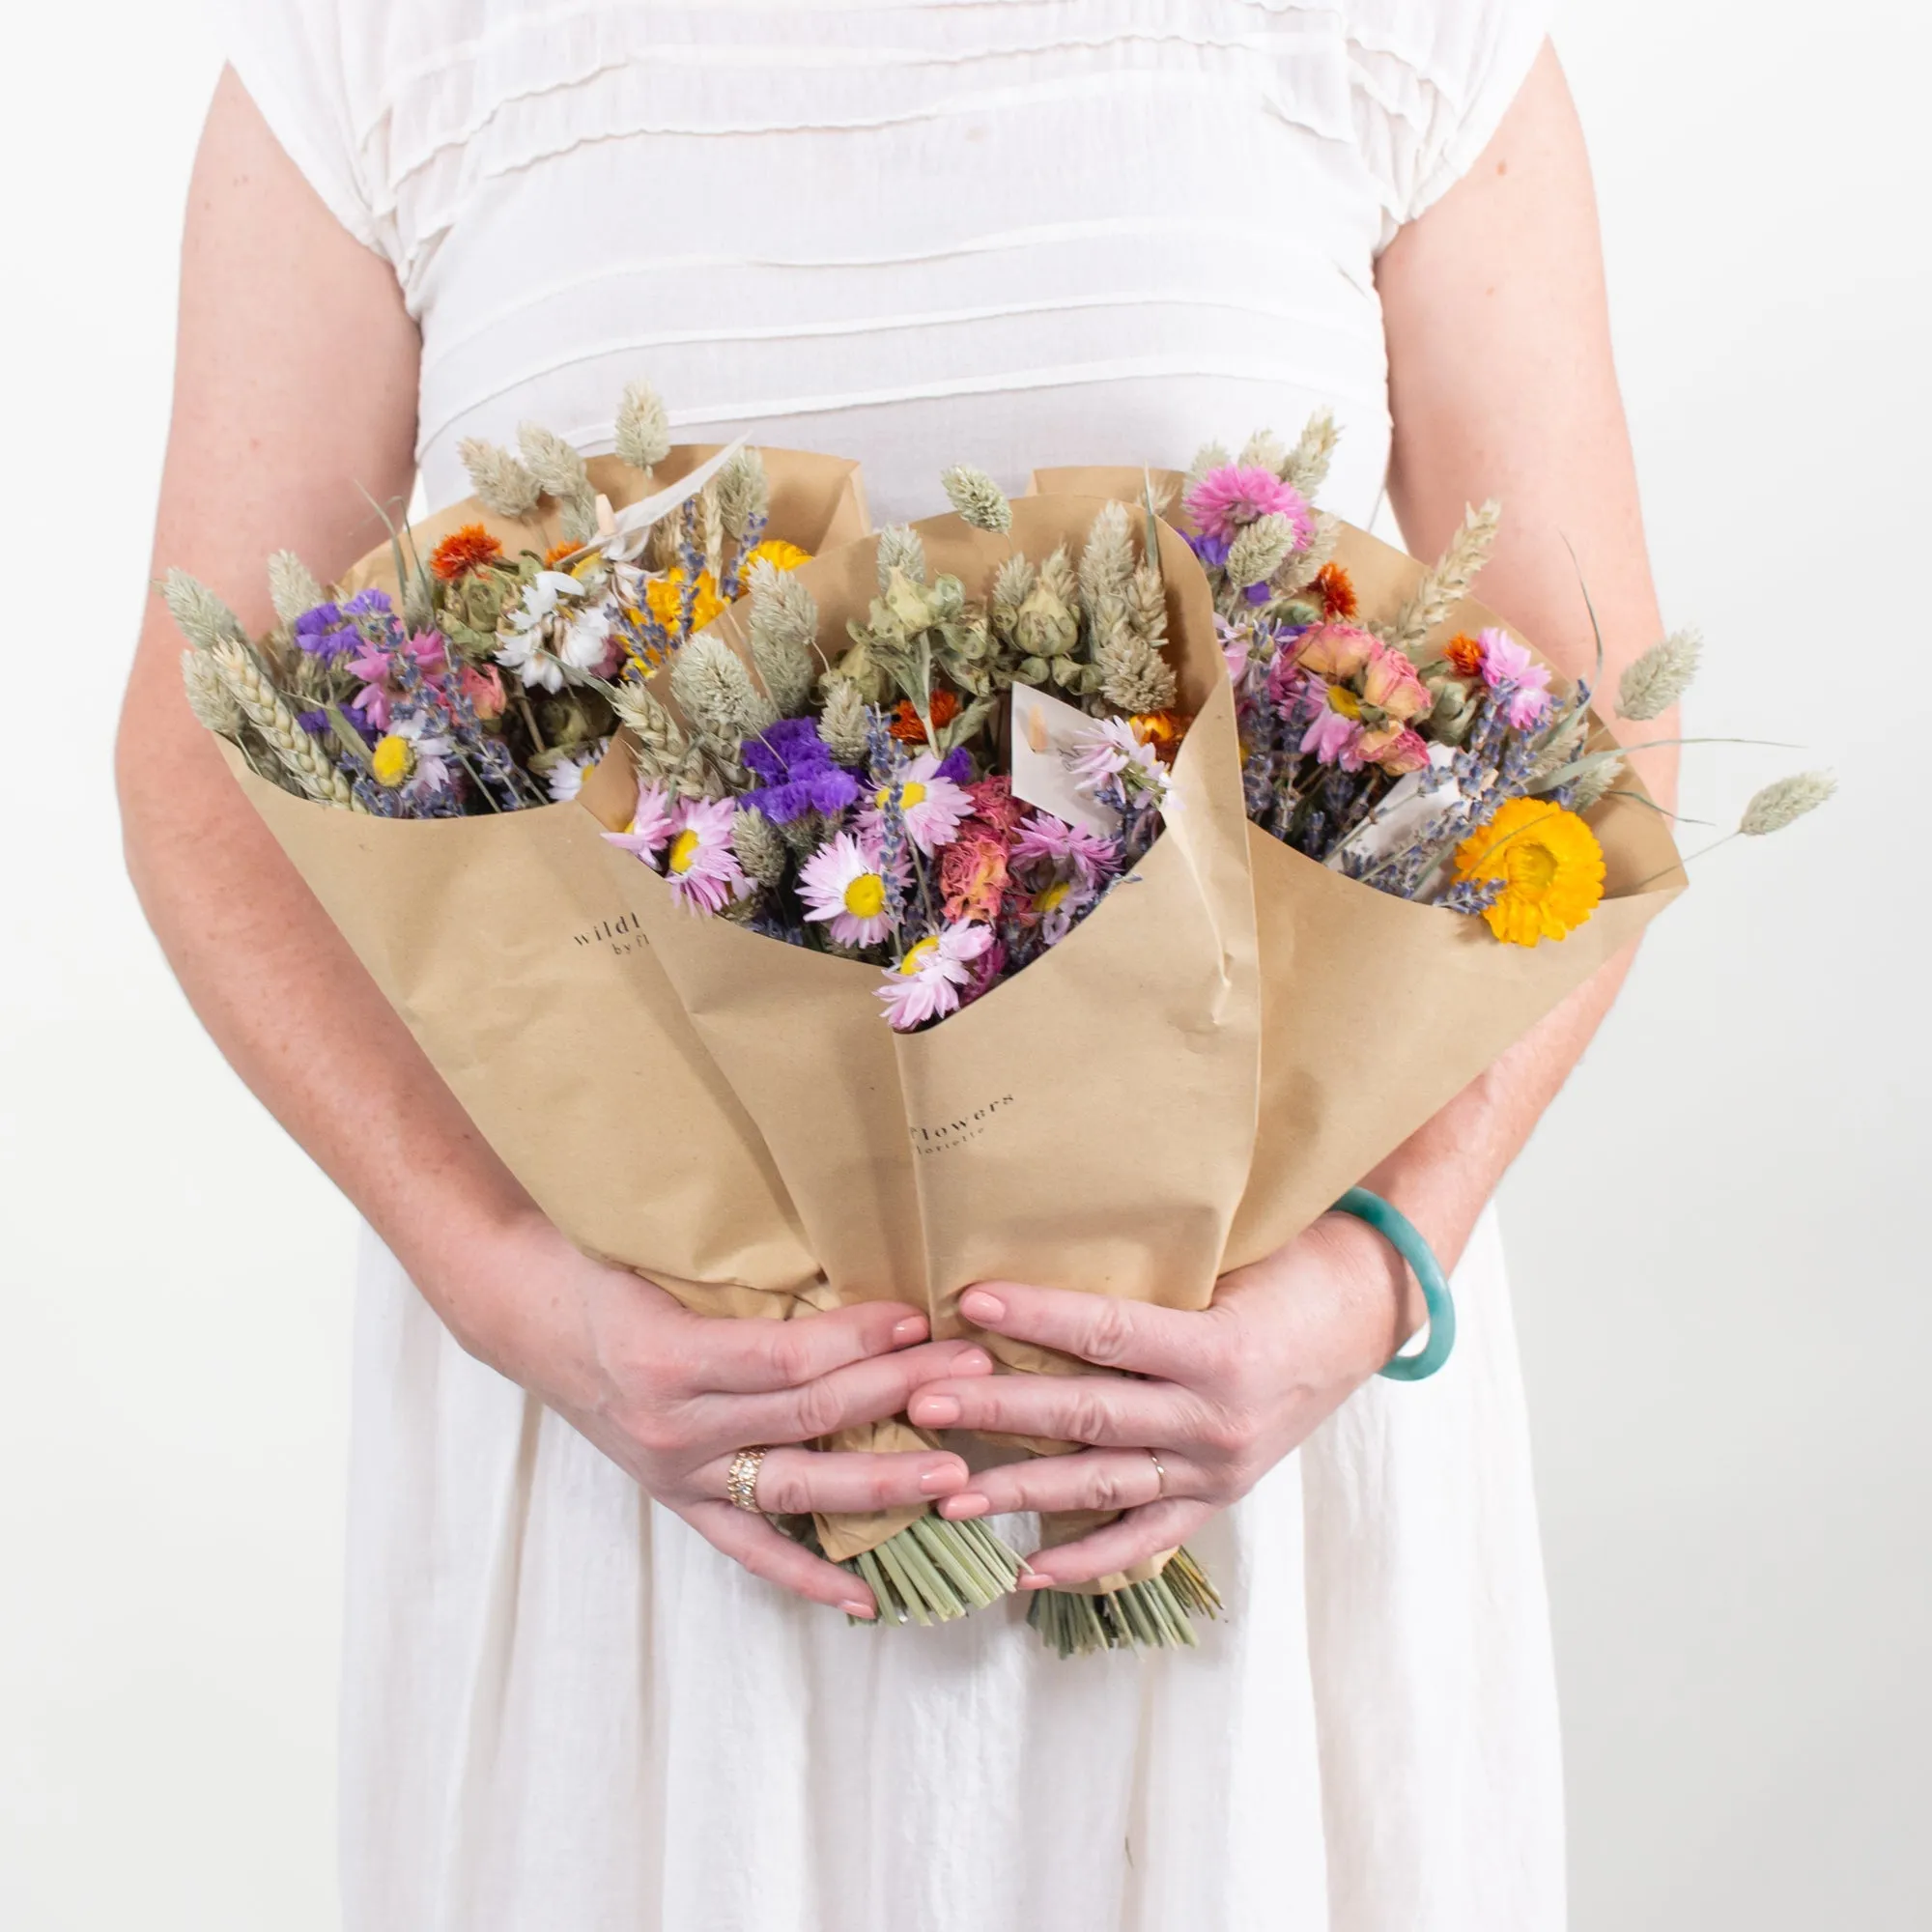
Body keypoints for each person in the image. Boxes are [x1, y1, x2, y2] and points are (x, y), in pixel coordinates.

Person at [118, 3, 1672, 1925]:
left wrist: (1369, 1280)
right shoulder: (369, 49)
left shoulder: (1411, 34)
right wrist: (514, 1293)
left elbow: (1589, 733)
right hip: (653, 1445)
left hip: (1238, 1415)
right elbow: (207, 766)